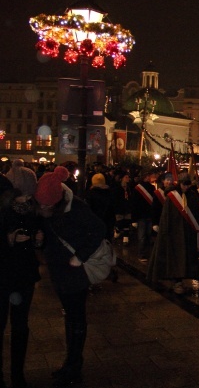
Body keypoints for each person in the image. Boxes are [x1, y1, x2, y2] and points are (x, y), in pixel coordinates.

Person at [33, 166, 105, 387]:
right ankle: (70, 362)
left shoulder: (77, 209)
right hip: (58, 270)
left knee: (76, 317)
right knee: (70, 317)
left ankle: (74, 365)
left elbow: (100, 230)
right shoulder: (48, 208)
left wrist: (80, 256)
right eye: (41, 204)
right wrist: (40, 241)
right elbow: (48, 237)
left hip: (75, 272)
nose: (42, 208)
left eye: (47, 205)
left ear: (57, 200)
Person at [1, 162, 40, 388]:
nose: (28, 199)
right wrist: (8, 239)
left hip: (24, 275)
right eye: (26, 194)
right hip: (4, 274)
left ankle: (18, 374)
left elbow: (36, 236)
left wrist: (38, 239)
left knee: (20, 326)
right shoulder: (3, 212)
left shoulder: (32, 210)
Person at [147, 173, 199, 294]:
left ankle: (182, 279)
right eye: (184, 184)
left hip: (188, 233)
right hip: (174, 233)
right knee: (175, 257)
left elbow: (195, 214)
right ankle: (177, 282)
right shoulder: (172, 196)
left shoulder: (192, 195)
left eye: (188, 184)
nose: (186, 187)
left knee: (185, 258)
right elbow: (166, 215)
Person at [132, 170, 156, 262]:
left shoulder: (152, 188)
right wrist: (134, 219)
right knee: (142, 236)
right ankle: (141, 254)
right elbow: (134, 204)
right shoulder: (138, 188)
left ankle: (147, 254)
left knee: (148, 236)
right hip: (141, 215)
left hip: (148, 215)